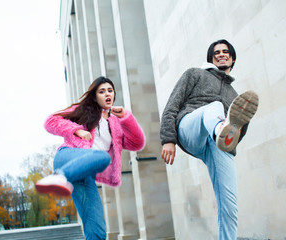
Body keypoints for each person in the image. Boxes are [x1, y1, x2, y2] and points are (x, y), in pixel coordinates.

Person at [160, 39, 258, 240]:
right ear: (211, 58)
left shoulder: (235, 96)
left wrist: (231, 139)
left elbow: (240, 129)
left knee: (229, 205)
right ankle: (220, 128)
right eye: (217, 52)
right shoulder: (195, 74)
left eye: (226, 52)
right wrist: (168, 139)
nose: (221, 54)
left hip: (218, 143)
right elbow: (172, 105)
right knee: (214, 107)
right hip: (190, 127)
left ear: (232, 58)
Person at [36, 76, 145, 240]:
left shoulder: (115, 124)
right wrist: (77, 130)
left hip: (84, 175)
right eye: (102, 91)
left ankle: (61, 178)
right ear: (94, 96)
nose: (107, 94)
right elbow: (50, 121)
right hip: (67, 157)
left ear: (114, 95)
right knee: (102, 157)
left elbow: (137, 143)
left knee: (97, 231)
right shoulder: (83, 110)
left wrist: (126, 118)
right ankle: (59, 177)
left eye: (110, 90)